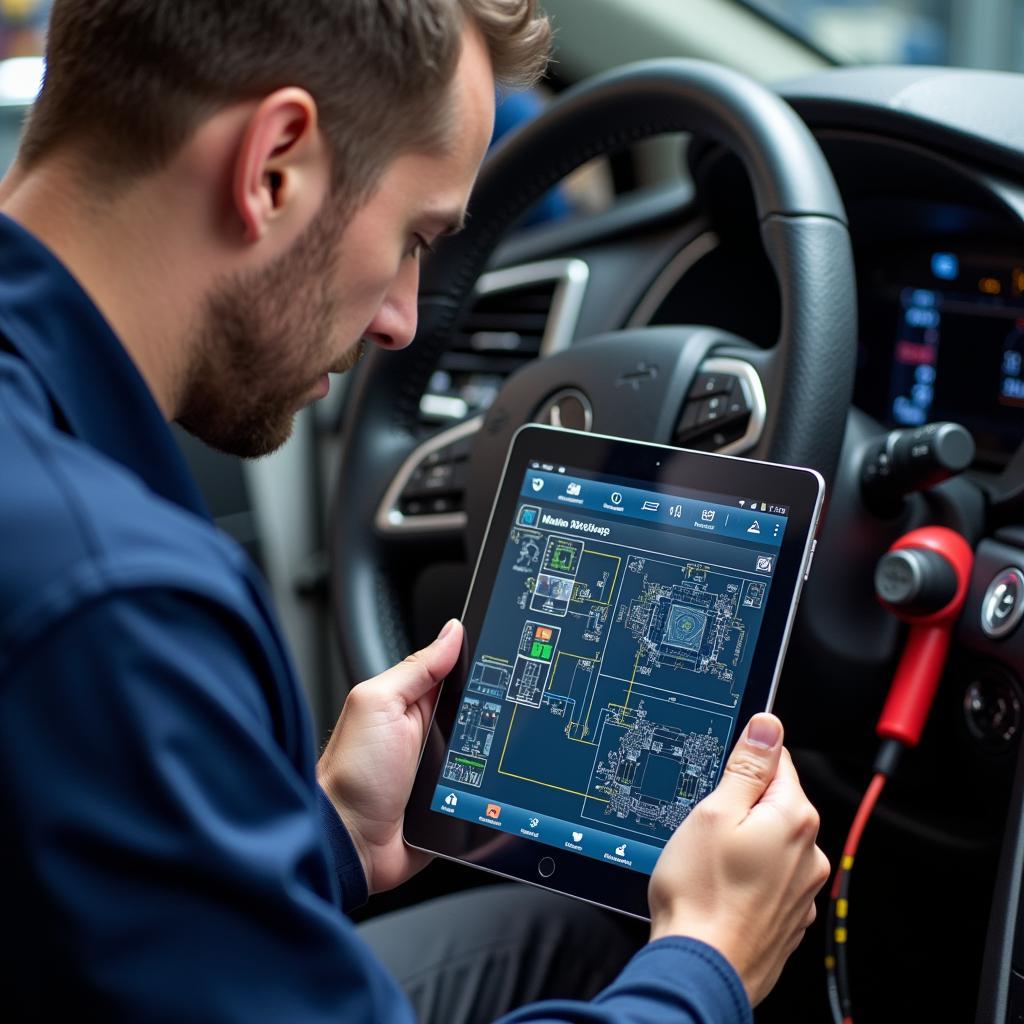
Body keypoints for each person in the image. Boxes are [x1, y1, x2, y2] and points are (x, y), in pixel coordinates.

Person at [0, 2, 830, 1022]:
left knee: (559, 936)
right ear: (274, 164)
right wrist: (710, 960)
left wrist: (330, 830)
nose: (401, 318)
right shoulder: (112, 603)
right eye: (414, 236)